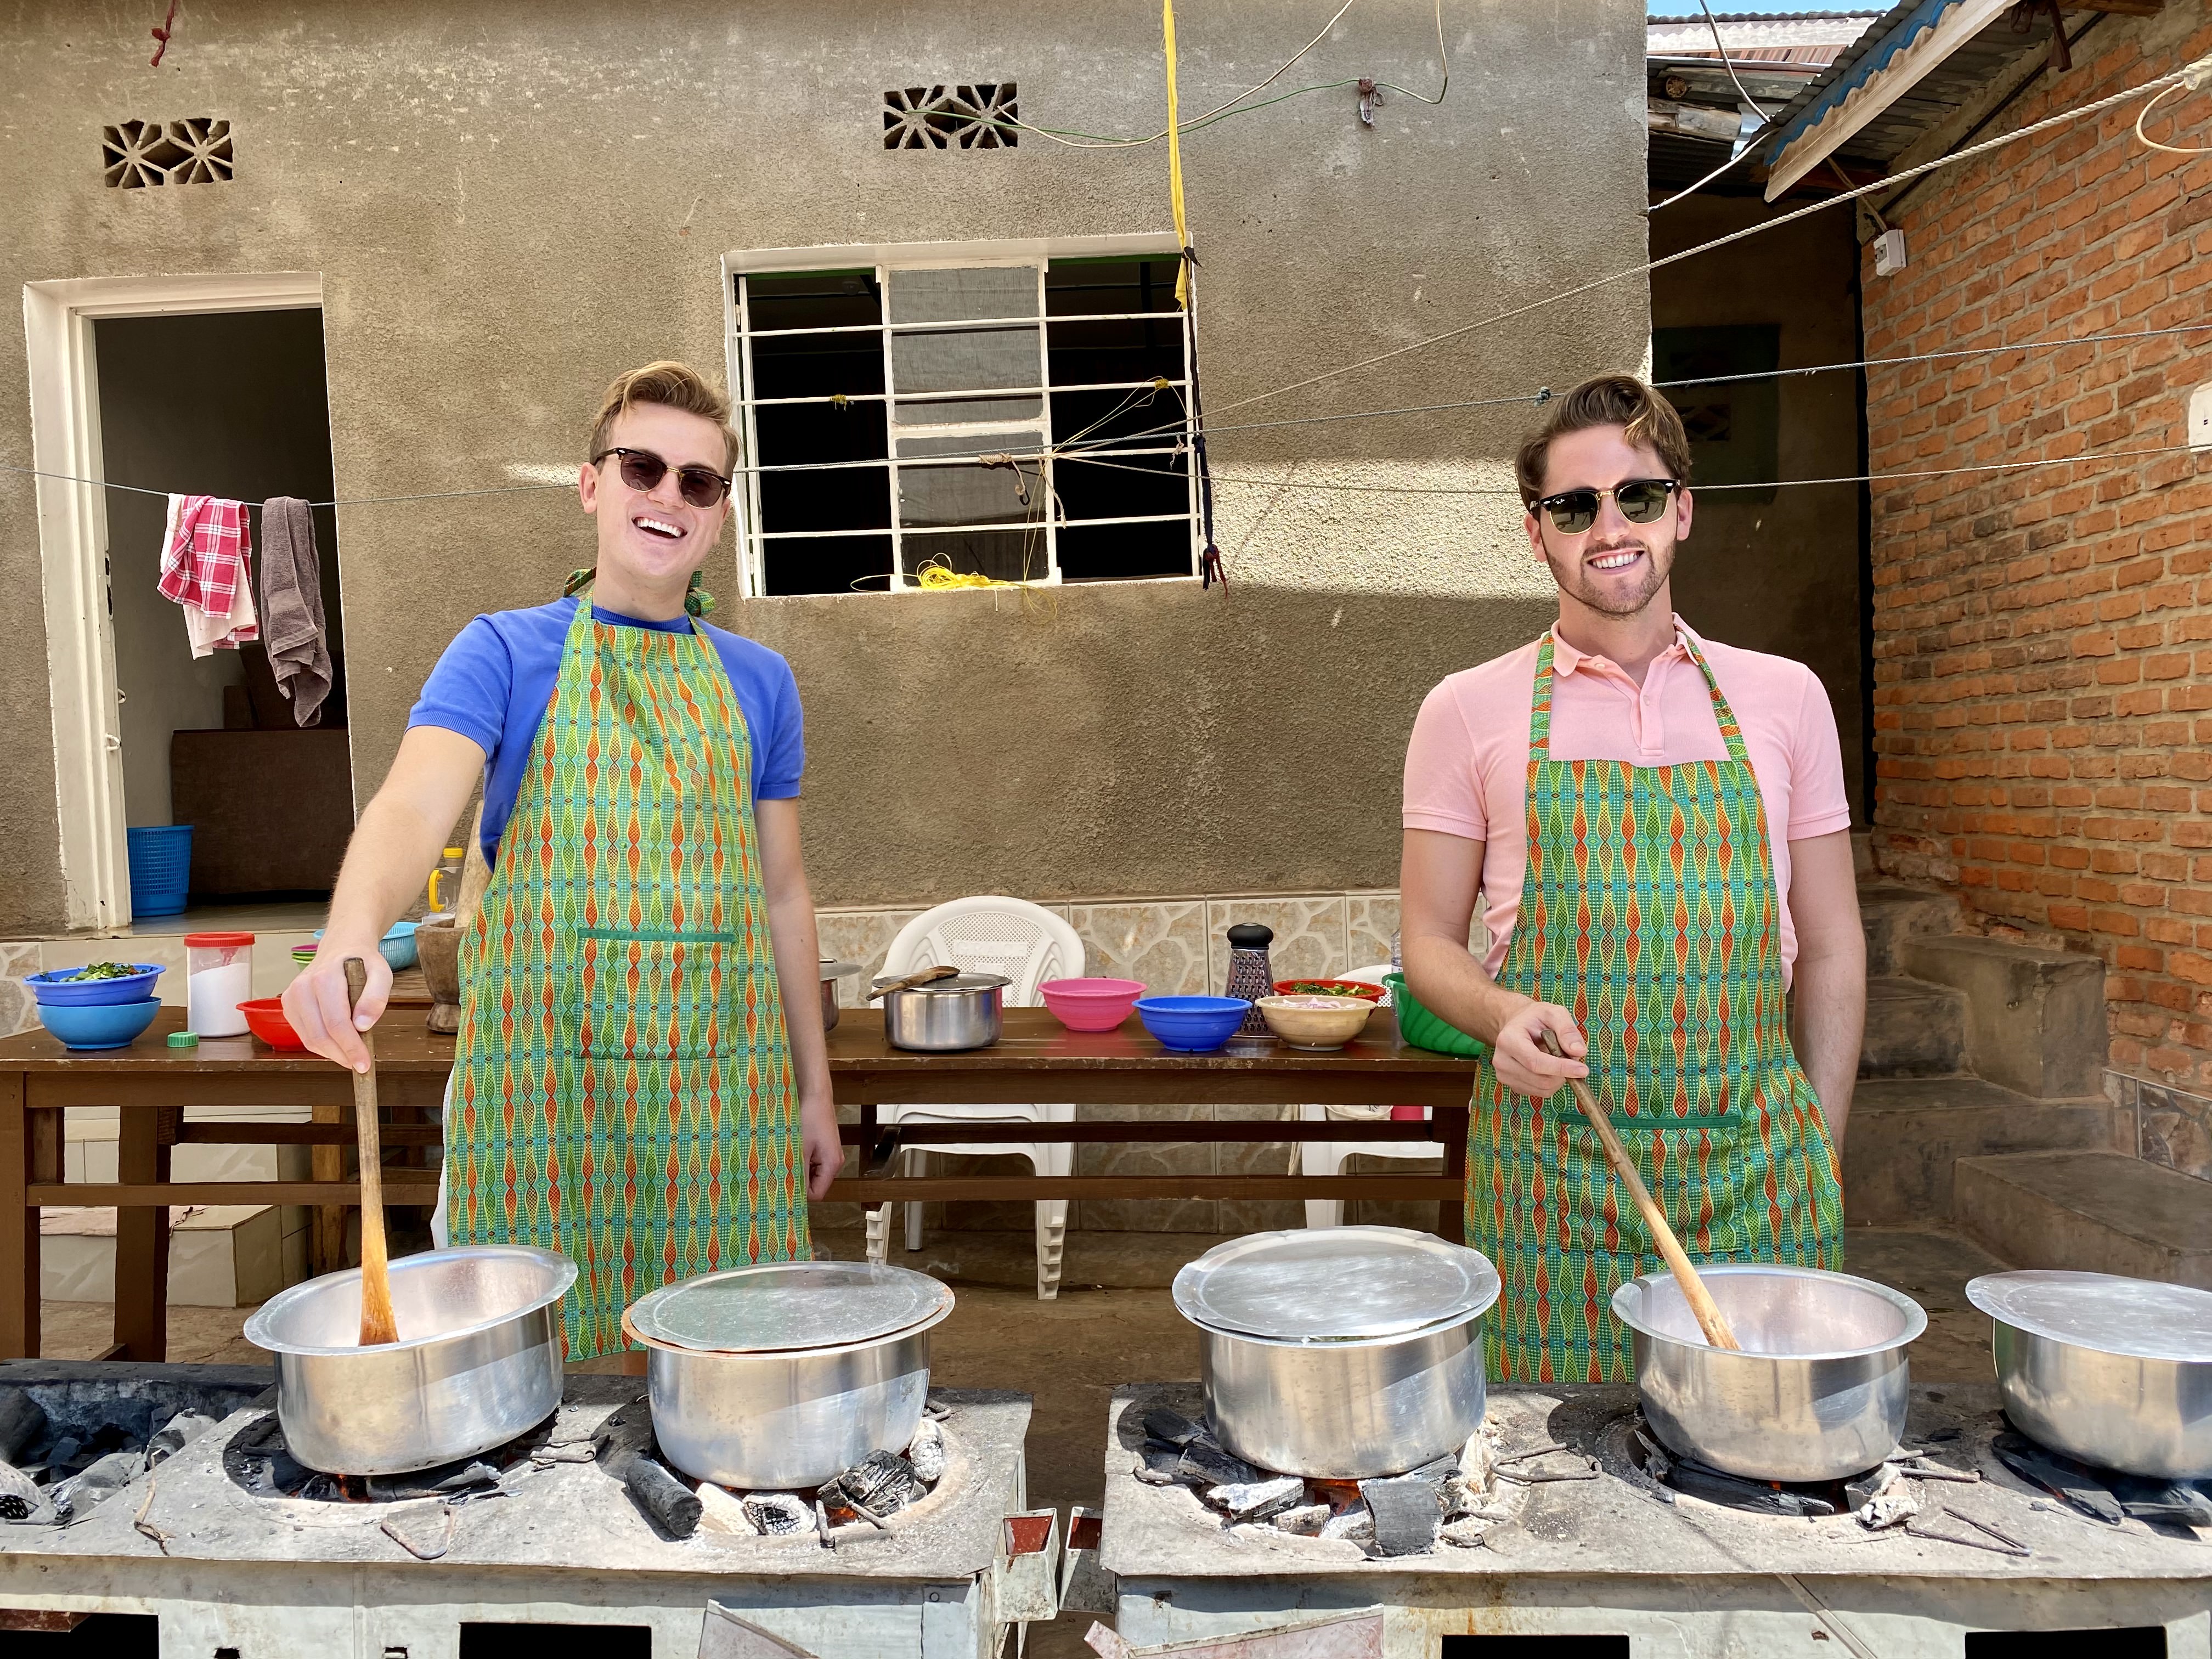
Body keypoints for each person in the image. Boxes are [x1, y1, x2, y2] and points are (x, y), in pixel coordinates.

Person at [285, 361, 843, 1368]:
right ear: (593, 484)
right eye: (642, 467)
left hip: (723, 1091)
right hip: (543, 1080)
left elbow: (784, 893)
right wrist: (351, 931)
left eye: (698, 482)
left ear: (718, 513)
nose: (667, 496)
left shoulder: (762, 683)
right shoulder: (501, 652)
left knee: (723, 1366)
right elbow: (414, 802)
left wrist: (815, 1089)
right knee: (523, 1372)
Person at [1400, 374, 1863, 1385]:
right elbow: (1428, 947)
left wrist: (1818, 1154)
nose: (1609, 526)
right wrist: (1498, 1013)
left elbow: (1830, 944)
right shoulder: (1466, 711)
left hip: (1758, 1173)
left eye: (1638, 496)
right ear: (1537, 534)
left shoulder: (1786, 700)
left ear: (1682, 510)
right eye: (1574, 506)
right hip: (1556, 1180)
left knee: (1762, 1470)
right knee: (1553, 1484)